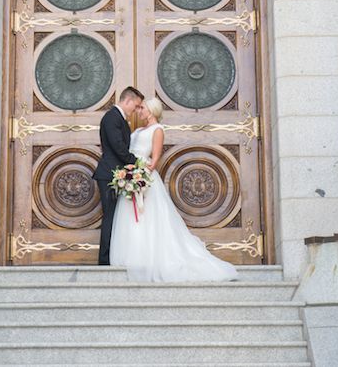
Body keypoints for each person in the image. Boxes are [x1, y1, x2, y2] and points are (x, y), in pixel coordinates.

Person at [110, 96, 238, 282]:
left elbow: (154, 159)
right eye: (139, 108)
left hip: (144, 177)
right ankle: (134, 258)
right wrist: (128, 174)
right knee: (131, 218)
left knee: (149, 219)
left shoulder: (158, 130)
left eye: (142, 108)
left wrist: (140, 178)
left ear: (152, 111)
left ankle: (151, 259)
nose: (139, 111)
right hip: (131, 173)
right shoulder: (137, 130)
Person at [93, 86, 144, 265]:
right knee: (110, 217)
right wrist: (137, 162)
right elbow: (118, 146)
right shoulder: (112, 117)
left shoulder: (118, 119)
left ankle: (111, 258)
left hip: (115, 173)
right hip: (108, 175)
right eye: (136, 106)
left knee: (115, 217)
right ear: (127, 101)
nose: (136, 111)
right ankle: (105, 261)